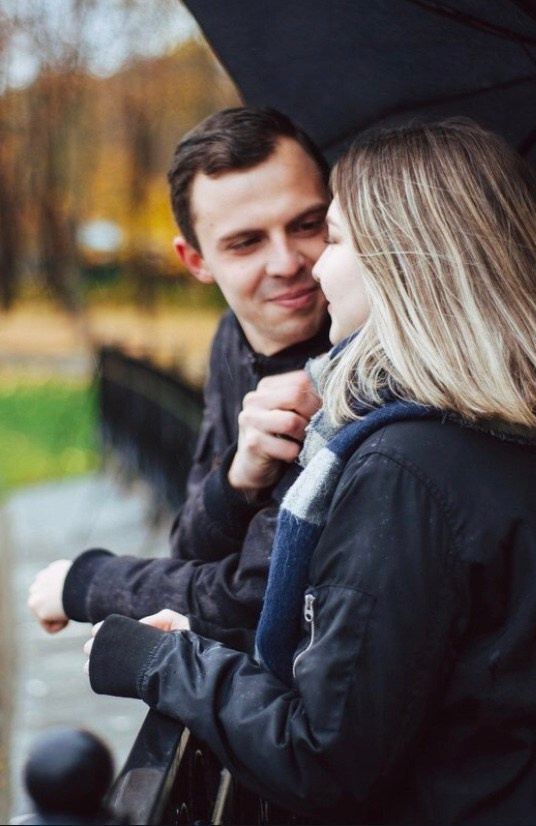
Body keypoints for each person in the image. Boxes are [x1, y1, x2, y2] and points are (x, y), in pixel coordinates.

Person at [84, 119, 536, 823]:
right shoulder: (512, 425)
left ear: (403, 265)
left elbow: (321, 756)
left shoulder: (404, 469)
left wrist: (152, 662)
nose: (314, 267)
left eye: (335, 237)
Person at [27, 107, 333, 632]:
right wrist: (238, 476)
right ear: (195, 261)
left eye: (307, 225)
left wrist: (88, 584)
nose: (286, 262)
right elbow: (190, 546)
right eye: (246, 242)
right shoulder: (231, 341)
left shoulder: (369, 364)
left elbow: (258, 593)